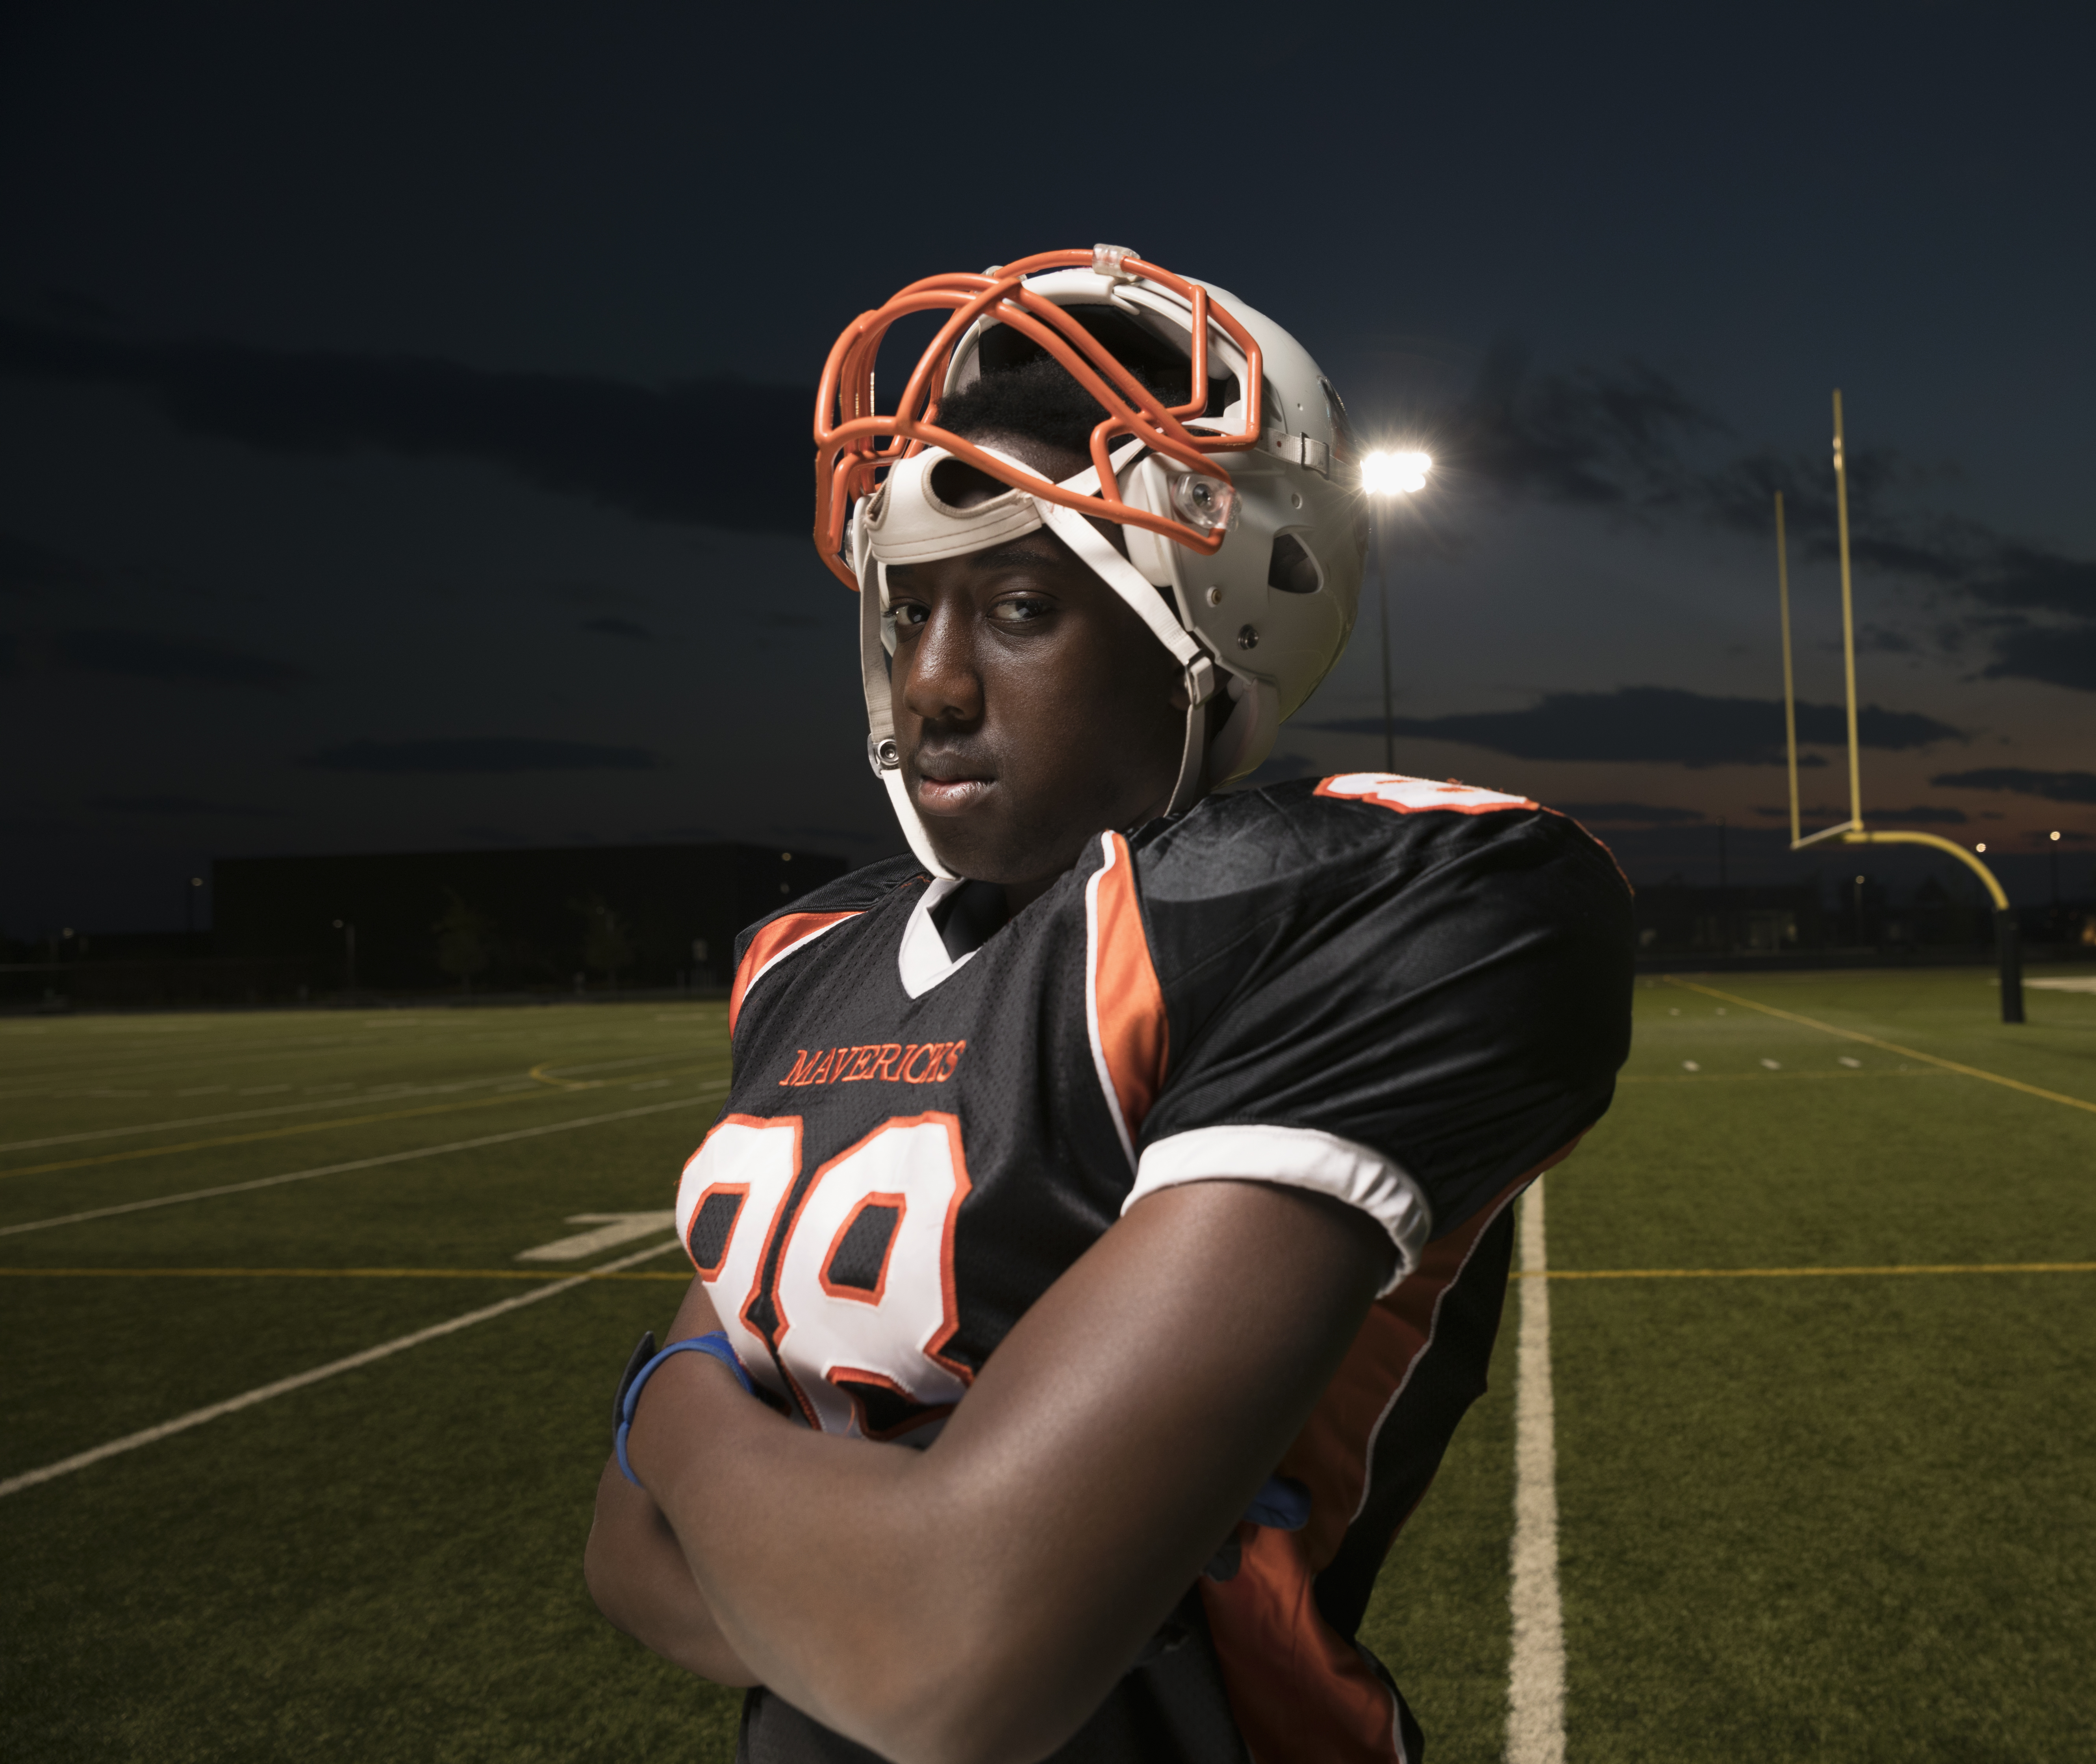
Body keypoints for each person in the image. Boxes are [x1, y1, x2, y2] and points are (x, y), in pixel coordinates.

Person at [584, 247, 1633, 1764]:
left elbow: (949, 1660)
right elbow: (628, 1569)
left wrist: (670, 1412)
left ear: (1213, 616)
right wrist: (857, 1584)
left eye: (1017, 604)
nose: (931, 683)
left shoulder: (1385, 900)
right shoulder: (808, 956)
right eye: (907, 609)